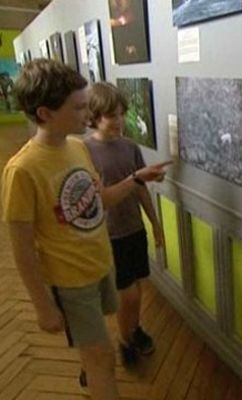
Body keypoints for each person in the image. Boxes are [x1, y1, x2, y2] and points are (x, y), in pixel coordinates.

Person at [0, 59, 171, 400]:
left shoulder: (77, 147)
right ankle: (94, 368)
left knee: (97, 345)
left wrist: (136, 178)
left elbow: (99, 201)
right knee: (103, 360)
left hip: (100, 263)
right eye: (78, 107)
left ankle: (89, 363)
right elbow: (21, 247)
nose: (86, 113)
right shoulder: (22, 170)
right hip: (70, 280)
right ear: (46, 113)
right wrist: (42, 306)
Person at [84, 82, 161, 367]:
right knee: (126, 294)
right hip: (109, 234)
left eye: (120, 114)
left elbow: (140, 188)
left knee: (136, 290)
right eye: (110, 116)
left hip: (134, 229)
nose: (117, 121)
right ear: (94, 117)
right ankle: (125, 339)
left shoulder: (130, 147)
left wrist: (154, 223)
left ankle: (134, 329)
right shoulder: (84, 150)